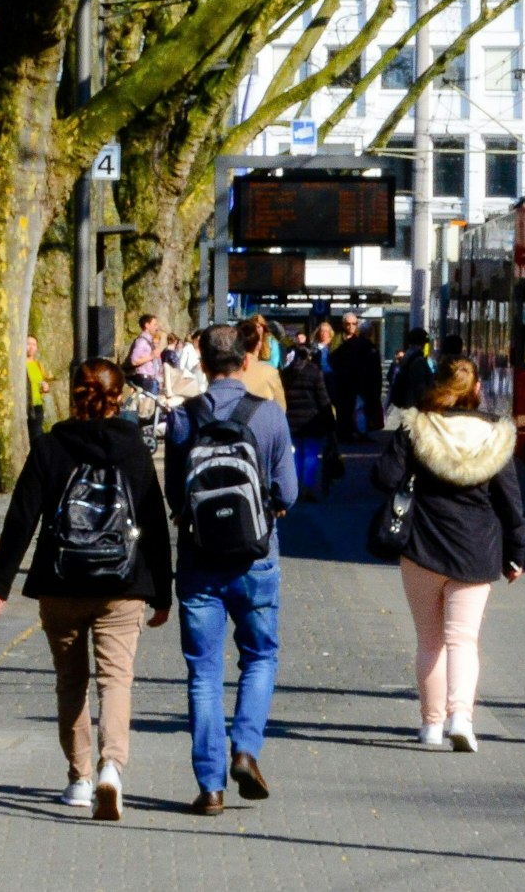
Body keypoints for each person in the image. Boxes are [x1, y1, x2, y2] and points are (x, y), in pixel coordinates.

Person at [0, 358, 171, 819]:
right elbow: (154, 522)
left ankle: (80, 778)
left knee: (71, 682)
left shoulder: (49, 447)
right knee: (116, 679)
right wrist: (163, 591)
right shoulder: (134, 450)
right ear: (119, 398)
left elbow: (21, 520)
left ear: (74, 395)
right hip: (122, 585)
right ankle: (112, 768)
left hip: (60, 582)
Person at [164, 325, 298, 816]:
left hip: (199, 561)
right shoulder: (269, 417)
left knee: (203, 672)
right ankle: (245, 749)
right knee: (259, 657)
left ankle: (211, 786)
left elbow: (175, 495)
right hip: (256, 557)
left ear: (199, 360)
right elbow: (288, 492)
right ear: (246, 362)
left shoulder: (184, 418)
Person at [372, 356, 524, 752]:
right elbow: (511, 505)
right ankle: (462, 718)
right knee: (463, 640)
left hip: (421, 547)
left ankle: (431, 725)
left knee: (429, 641)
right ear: (477, 390)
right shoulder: (497, 435)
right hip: (477, 552)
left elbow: (383, 477)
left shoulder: (418, 425)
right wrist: (516, 554)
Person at [281, 344, 337, 501]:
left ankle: (295, 486)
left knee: (296, 454)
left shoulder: (286, 373)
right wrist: (330, 422)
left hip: (291, 419)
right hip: (312, 420)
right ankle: (307, 486)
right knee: (311, 454)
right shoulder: (314, 372)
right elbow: (323, 398)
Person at [332, 314, 382, 441]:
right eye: (348, 324)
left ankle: (355, 432)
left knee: (357, 409)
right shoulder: (341, 341)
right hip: (353, 383)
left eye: (354, 324)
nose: (351, 327)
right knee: (356, 409)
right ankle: (356, 433)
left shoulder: (357, 343)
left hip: (355, 382)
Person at [387, 327, 435, 426]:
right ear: (422, 343)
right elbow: (419, 386)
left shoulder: (408, 356)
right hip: (414, 405)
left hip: (408, 403)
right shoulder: (418, 360)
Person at [236, 320, 288, 409]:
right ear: (259, 345)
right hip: (263, 420)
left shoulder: (226, 370)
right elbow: (281, 408)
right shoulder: (270, 372)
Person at [127, 314, 164, 396]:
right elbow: (134, 361)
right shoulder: (141, 341)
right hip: (145, 379)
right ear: (147, 325)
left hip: (151, 379)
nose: (157, 328)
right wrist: (151, 356)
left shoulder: (150, 341)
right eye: (154, 325)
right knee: (146, 406)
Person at [25, 335, 52, 444]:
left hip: (37, 406)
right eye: (28, 344)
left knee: (37, 435)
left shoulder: (38, 364)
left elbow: (42, 382)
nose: (31, 347)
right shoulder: (21, 365)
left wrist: (46, 387)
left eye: (34, 344)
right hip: (25, 406)